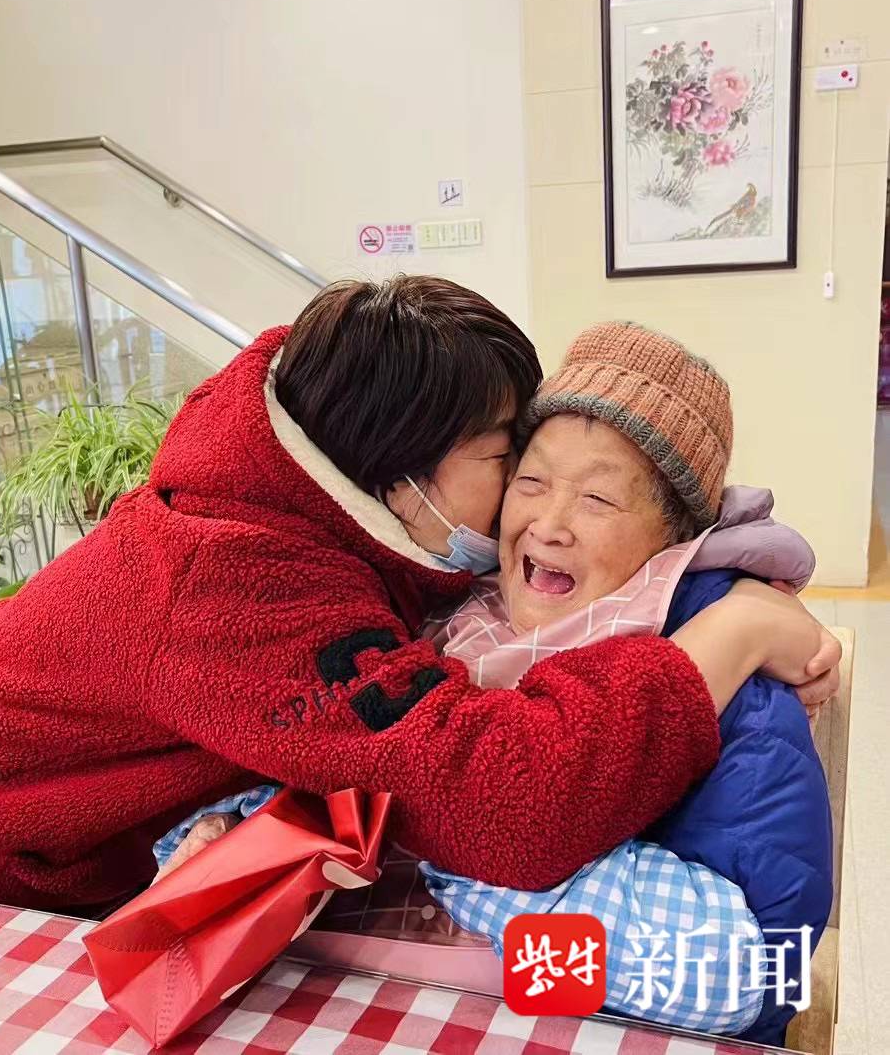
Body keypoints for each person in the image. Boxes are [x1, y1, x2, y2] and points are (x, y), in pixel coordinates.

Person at [0, 279, 838, 997]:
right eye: (511, 465)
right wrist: (739, 631)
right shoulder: (240, 586)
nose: (533, 517)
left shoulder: (310, 483)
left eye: (596, 496)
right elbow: (503, 804)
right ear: (403, 473)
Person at [158, 323, 831, 1044]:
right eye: (530, 482)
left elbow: (740, 981)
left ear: (676, 536)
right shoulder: (447, 617)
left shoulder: (725, 672)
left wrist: (447, 837)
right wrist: (238, 831)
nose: (549, 523)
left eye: (598, 500)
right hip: (353, 1008)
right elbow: (322, 770)